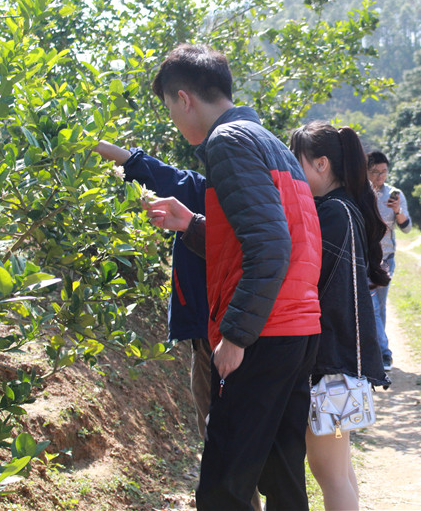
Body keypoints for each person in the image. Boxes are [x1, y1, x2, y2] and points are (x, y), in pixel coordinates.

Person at [143, 43, 322, 510]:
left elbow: (271, 246)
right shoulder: (266, 140)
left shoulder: (226, 142)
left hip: (263, 330)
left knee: (224, 485)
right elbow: (267, 235)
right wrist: (193, 225)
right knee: (282, 476)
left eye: (169, 108)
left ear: (184, 98)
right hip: (295, 328)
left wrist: (237, 335)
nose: (175, 123)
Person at [289, 122, 390, 510]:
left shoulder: (333, 213)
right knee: (338, 469)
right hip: (341, 361)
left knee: (329, 472)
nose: (294, 173)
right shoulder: (344, 208)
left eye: (297, 163)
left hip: (330, 363)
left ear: (321, 164)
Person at [93, 142, 212, 437]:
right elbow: (141, 164)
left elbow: (144, 167)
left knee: (218, 430)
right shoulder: (266, 197)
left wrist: (88, 142)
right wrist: (91, 142)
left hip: (217, 333)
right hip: (250, 329)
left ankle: (230, 482)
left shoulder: (202, 191)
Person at [366, 150, 411, 371]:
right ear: (367, 171)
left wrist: (398, 210)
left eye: (384, 172)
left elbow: (407, 227)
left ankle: (378, 351)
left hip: (386, 259)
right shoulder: (360, 193)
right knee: (373, 307)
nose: (380, 177)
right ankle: (384, 354)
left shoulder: (394, 193)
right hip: (365, 260)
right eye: (375, 172)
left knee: (380, 307)